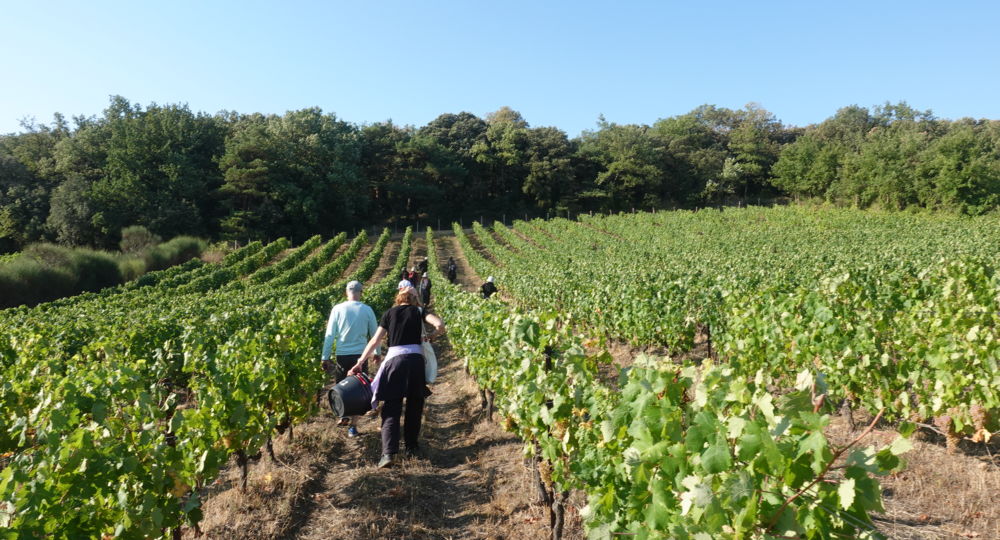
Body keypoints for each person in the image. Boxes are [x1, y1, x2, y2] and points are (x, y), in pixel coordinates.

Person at [350, 287, 445, 468]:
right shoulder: (419, 311)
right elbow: (439, 325)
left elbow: (375, 340)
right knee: (414, 406)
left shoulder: (389, 313)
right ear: (414, 299)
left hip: (395, 362)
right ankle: (411, 448)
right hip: (416, 362)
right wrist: (431, 336)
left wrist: (360, 362)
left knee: (391, 407)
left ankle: (388, 454)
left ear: (399, 298)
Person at [321, 280, 379, 437]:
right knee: (359, 391)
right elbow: (375, 334)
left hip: (342, 355)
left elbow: (330, 335)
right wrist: (376, 353)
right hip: (361, 356)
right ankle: (353, 427)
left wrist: (325, 357)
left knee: (342, 387)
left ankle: (343, 415)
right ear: (360, 292)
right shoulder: (367, 310)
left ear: (347, 293)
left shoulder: (337, 309)